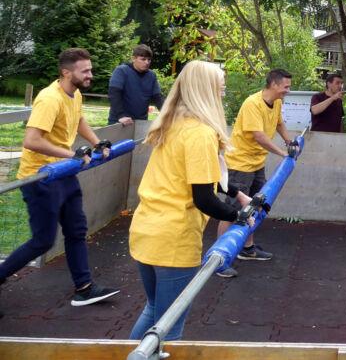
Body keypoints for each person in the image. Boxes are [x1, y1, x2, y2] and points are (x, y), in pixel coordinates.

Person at [129, 60, 253, 341]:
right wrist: (239, 217)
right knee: (169, 329)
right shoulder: (200, 133)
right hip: (173, 238)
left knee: (154, 310)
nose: (223, 94)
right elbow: (204, 199)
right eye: (220, 89)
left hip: (147, 229)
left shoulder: (173, 124)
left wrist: (235, 193)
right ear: (206, 91)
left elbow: (200, 176)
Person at [0, 48, 119, 307]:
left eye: (90, 69)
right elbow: (31, 141)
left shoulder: (74, 94)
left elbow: (78, 121)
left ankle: (84, 288)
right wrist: (72, 154)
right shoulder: (49, 99)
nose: (90, 74)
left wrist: (98, 144)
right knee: (43, 241)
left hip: (64, 173)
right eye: (85, 70)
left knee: (77, 231)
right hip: (41, 177)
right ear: (67, 72)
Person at [215, 69, 296, 278]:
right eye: (286, 86)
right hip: (240, 164)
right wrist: (282, 153)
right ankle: (218, 257)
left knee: (255, 205)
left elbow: (278, 123)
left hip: (257, 162)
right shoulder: (253, 104)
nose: (288, 90)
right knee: (231, 210)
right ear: (274, 85)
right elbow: (258, 135)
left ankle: (247, 248)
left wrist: (290, 142)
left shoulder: (276, 102)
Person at [108, 44, 165, 126]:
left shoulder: (151, 75)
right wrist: (121, 115)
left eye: (149, 60)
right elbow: (114, 94)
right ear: (133, 59)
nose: (147, 62)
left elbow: (158, 98)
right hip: (119, 121)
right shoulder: (122, 71)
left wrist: (168, 114)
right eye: (143, 59)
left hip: (140, 123)